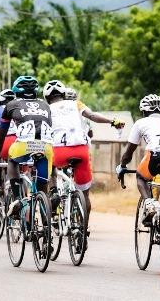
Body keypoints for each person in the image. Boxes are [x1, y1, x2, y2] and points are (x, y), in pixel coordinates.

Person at [44, 79, 124, 218]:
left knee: (49, 165)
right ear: (63, 94)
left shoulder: (47, 109)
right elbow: (92, 116)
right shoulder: (76, 104)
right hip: (81, 151)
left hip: (58, 152)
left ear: (47, 98)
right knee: (85, 194)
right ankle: (83, 228)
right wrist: (112, 121)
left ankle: (54, 191)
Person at [117, 94, 160, 224]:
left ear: (144, 111)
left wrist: (122, 166)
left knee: (141, 177)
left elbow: (129, 152)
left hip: (156, 156)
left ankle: (149, 204)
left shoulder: (141, 122)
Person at [0, 75, 54, 218]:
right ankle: (47, 226)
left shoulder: (11, 105)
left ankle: (17, 199)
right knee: (42, 189)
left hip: (24, 146)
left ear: (16, 91)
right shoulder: (45, 105)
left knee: (12, 160)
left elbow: (1, 136)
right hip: (46, 147)